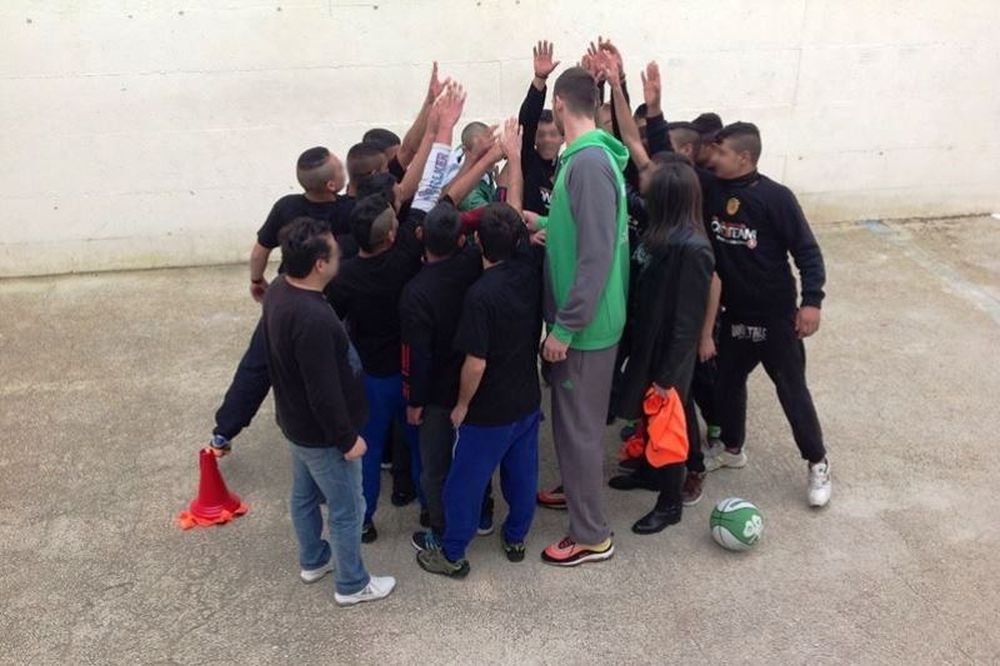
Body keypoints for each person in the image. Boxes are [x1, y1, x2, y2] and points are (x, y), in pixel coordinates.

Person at [326, 85, 469, 542]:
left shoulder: (345, 275)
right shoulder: (410, 249)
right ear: (390, 234)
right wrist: (442, 130)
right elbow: (433, 191)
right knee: (421, 447)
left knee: (366, 454)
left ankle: (365, 521)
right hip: (409, 377)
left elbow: (335, 322)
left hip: (370, 375)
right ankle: (428, 511)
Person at [255, 217, 395, 606]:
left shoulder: (280, 290)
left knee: (303, 496)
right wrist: (346, 439)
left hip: (295, 424)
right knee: (349, 508)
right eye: (334, 253)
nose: (341, 256)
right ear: (320, 264)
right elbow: (324, 391)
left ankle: (314, 560)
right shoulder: (313, 318)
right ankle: (352, 583)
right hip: (322, 434)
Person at [530, 67, 630, 567]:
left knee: (579, 430)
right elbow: (588, 226)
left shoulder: (588, 164)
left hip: (585, 328)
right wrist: (545, 221)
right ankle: (576, 488)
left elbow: (595, 254)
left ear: (561, 108)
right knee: (576, 428)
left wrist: (564, 328)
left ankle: (591, 534)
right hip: (590, 319)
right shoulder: (592, 156)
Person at [704, 121, 832, 507]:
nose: (715, 157)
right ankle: (731, 449)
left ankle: (817, 462)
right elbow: (656, 151)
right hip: (735, 314)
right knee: (726, 385)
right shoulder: (711, 188)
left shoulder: (777, 198)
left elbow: (807, 252)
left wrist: (812, 302)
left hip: (775, 317)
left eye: (722, 152)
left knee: (792, 392)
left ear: (744, 157)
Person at [416, 202, 544, 578]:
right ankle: (516, 537)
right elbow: (514, 219)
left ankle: (452, 554)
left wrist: (461, 405)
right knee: (522, 475)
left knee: (463, 485)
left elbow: (476, 363)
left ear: (475, 241)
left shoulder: (480, 296)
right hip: (526, 399)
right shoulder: (529, 268)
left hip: (488, 411)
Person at [207, 147, 355, 455]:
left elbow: (260, 250)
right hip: (327, 301)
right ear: (331, 185)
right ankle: (347, 433)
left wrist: (257, 281)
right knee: (333, 371)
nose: (345, 172)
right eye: (340, 168)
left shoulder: (286, 206)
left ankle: (223, 432)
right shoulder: (348, 211)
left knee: (257, 363)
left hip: (285, 293)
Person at [607, 157, 714, 533]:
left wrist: (668, 377)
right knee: (646, 416)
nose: (644, 183)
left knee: (669, 425)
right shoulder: (660, 228)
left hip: (668, 357)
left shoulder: (693, 248)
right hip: (645, 342)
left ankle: (670, 503)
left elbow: (686, 322)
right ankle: (648, 473)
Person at [519, 40, 564, 215]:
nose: (547, 139)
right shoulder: (529, 161)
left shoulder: (570, 165)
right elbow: (527, 122)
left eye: (553, 134)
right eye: (542, 134)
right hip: (534, 239)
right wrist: (540, 79)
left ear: (563, 137)